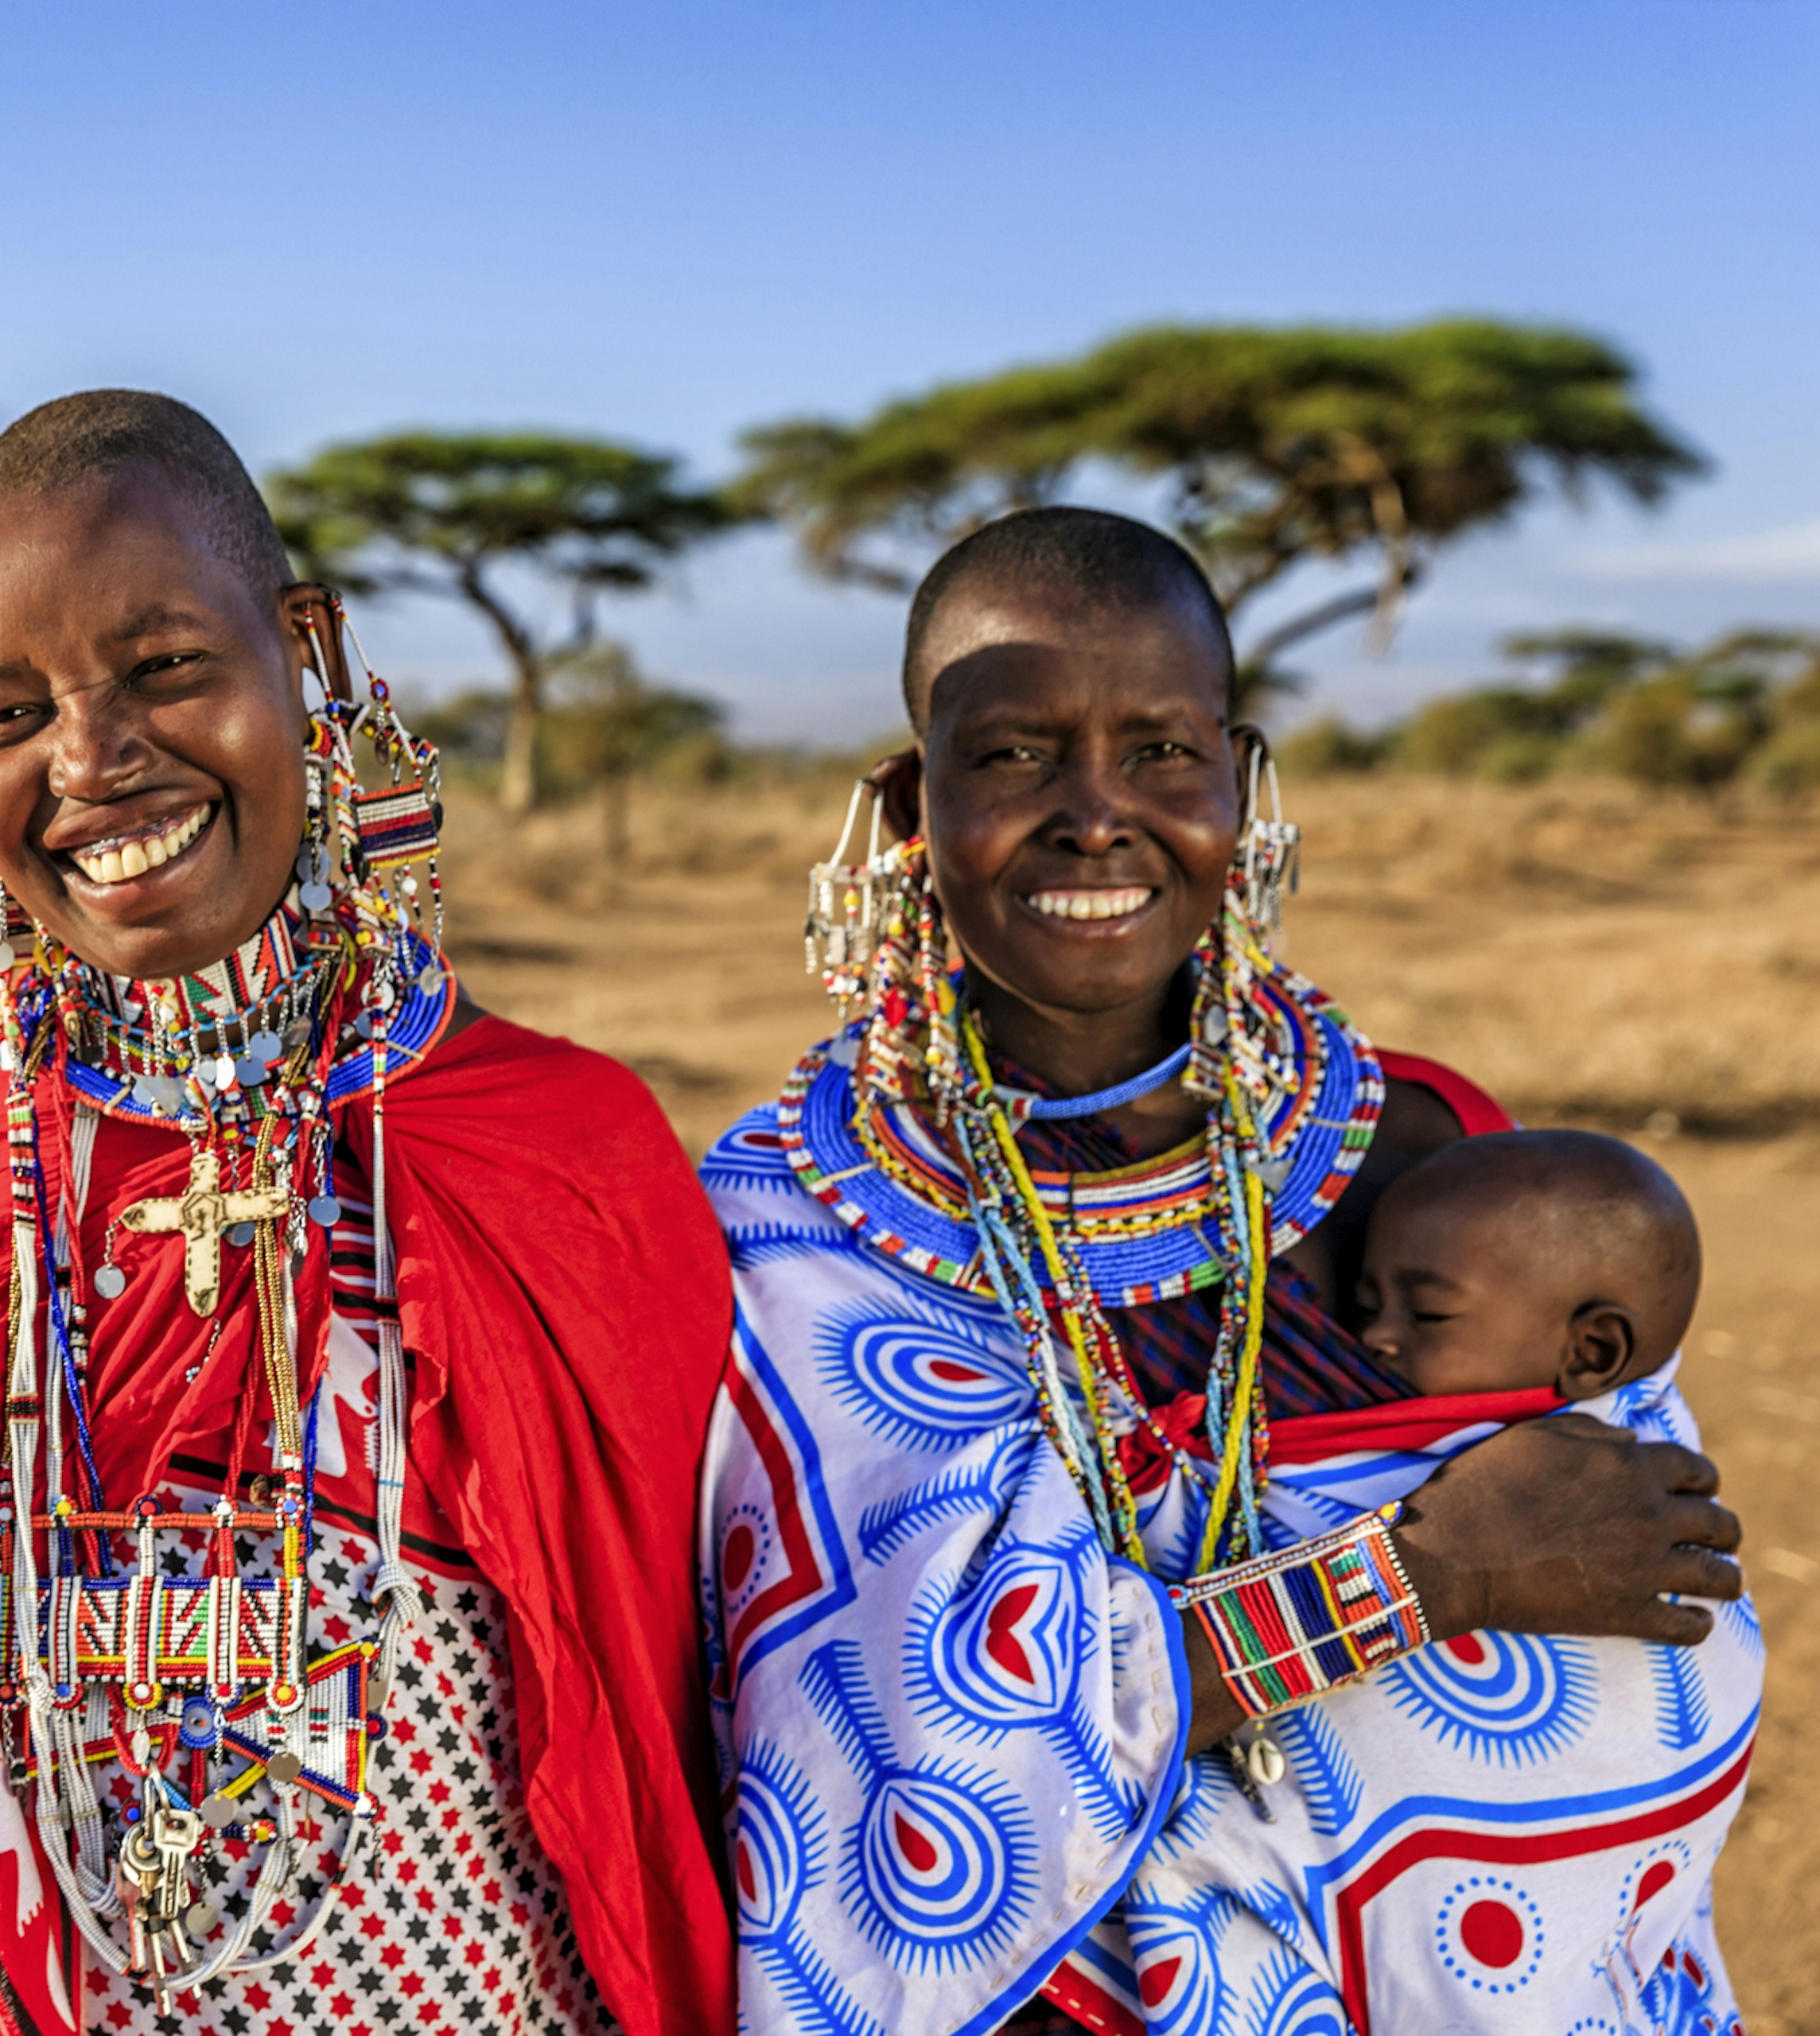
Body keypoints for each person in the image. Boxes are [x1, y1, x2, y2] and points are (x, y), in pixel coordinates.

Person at [0, 391, 735, 2036]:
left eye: (165, 667)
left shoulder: (564, 1153)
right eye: (6, 715)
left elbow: (677, 1729)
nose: (93, 760)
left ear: (304, 649)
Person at [698, 508, 1755, 2034]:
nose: (1096, 816)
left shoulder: (1424, 1147)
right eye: (1011, 757)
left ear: (1243, 779)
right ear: (907, 801)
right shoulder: (795, 1222)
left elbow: (1628, 1535)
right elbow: (881, 1780)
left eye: (1162, 751)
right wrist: (1419, 1577)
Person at [1354, 1128, 1701, 1401]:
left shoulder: (1590, 1479)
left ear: (1591, 1352)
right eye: (1367, 1308)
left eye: (1429, 1313)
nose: (1374, 1336)